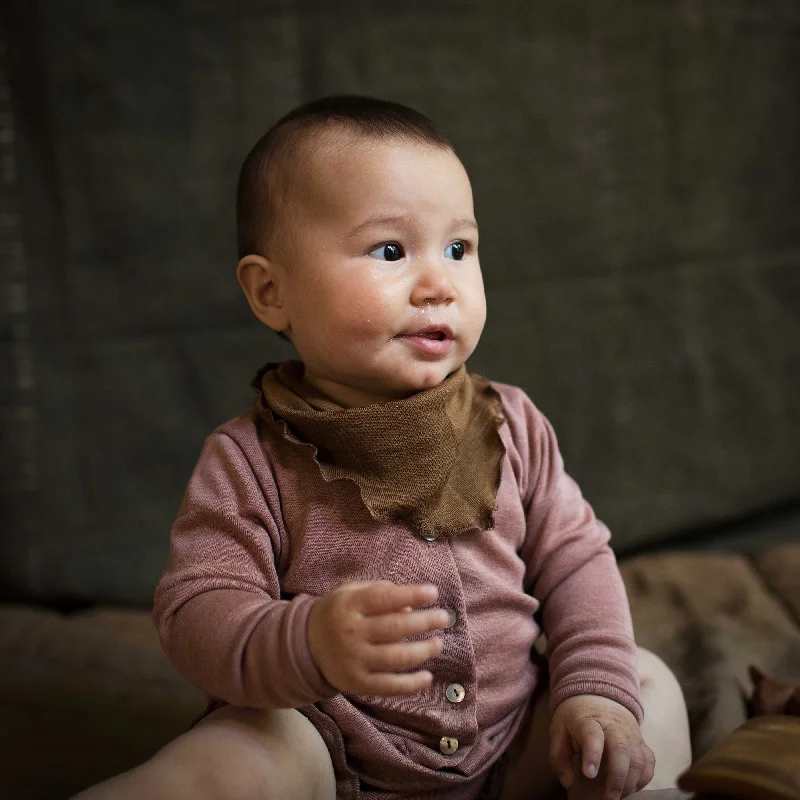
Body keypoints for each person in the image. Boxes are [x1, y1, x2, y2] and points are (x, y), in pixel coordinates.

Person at [74, 96, 691, 800]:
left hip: (513, 748)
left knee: (645, 685)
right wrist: (306, 641)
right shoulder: (249, 459)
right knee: (227, 759)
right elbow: (196, 612)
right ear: (272, 292)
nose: (439, 285)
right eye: (391, 250)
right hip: (331, 754)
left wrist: (593, 695)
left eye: (459, 248)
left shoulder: (512, 424)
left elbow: (577, 562)